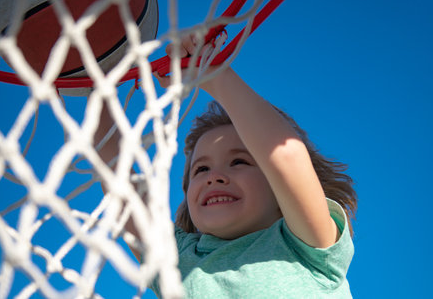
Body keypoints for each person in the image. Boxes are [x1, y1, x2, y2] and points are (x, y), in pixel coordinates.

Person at [98, 37, 357, 298]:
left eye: (239, 162)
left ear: (279, 187)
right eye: (201, 170)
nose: (215, 177)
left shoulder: (307, 247)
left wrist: (215, 75)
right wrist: (90, 80)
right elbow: (121, 181)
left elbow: (285, 155)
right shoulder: (179, 260)